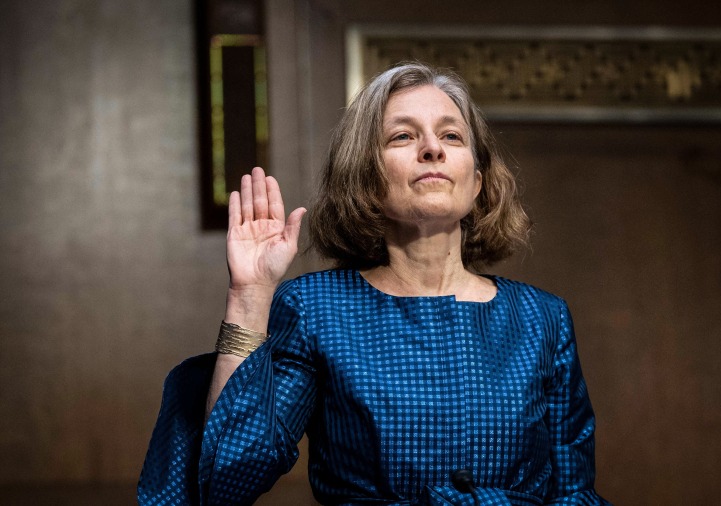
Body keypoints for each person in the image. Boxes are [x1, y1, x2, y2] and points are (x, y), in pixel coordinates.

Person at [138, 62, 610, 505]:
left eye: (451, 135)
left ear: (479, 182)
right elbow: (227, 478)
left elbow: (574, 493)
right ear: (365, 177)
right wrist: (249, 294)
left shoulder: (542, 318)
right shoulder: (315, 308)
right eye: (403, 136)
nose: (433, 148)